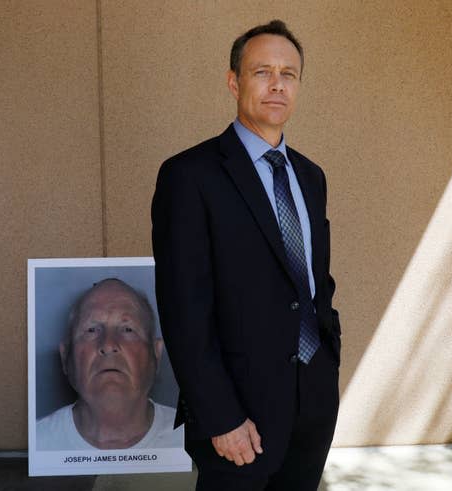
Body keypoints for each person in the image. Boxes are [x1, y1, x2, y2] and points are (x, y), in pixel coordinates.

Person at [151, 20, 341, 490]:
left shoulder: (311, 176)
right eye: (262, 72)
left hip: (312, 402)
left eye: (289, 74)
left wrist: (328, 366)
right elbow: (184, 312)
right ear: (234, 81)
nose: (277, 84)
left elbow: (315, 282)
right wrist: (220, 417)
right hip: (239, 415)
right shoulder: (189, 176)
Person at [36, 278, 182, 450]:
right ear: (65, 357)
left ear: (156, 354)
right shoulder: (40, 441)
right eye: (91, 330)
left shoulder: (188, 441)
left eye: (127, 329)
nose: (108, 345)